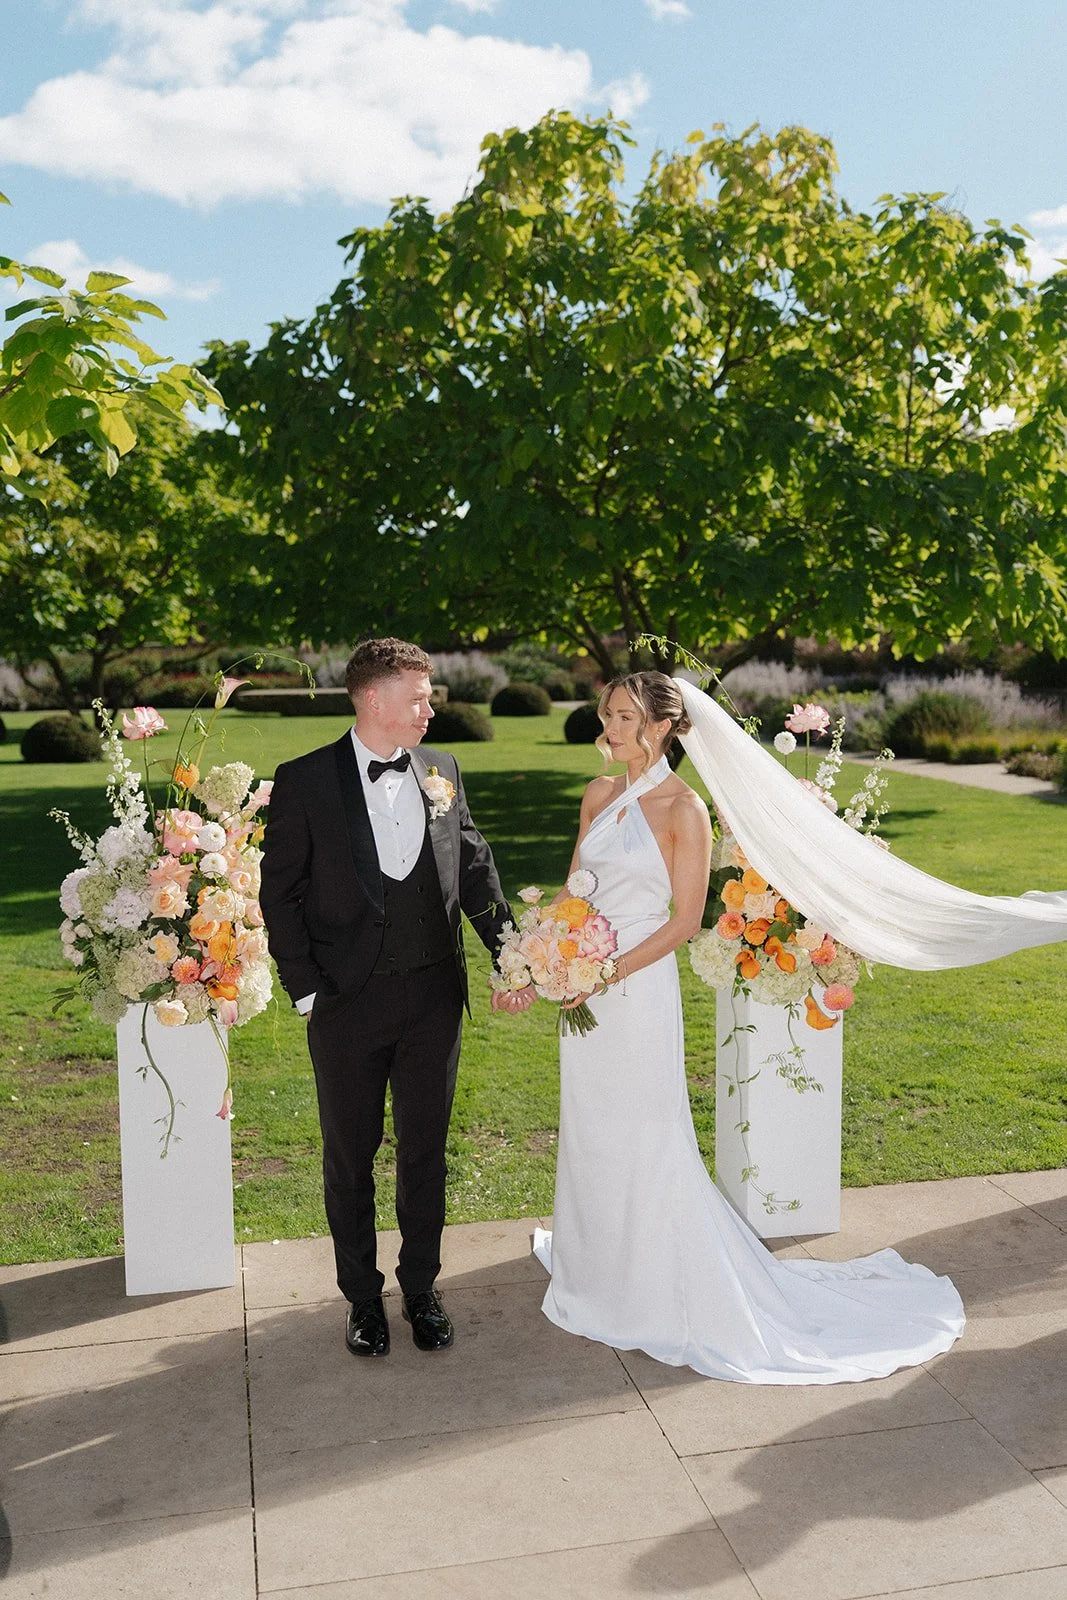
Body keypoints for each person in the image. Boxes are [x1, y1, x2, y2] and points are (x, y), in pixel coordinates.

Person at [532, 671, 967, 1383]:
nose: (607, 728)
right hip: (582, 986)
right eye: (606, 714)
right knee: (591, 1123)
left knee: (645, 1128)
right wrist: (543, 955)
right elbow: (572, 889)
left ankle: (651, 1281)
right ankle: (595, 1266)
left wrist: (606, 973)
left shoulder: (683, 809)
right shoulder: (597, 794)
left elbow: (680, 924)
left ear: (663, 726)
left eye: (622, 716)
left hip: (635, 993)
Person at [261, 637, 532, 1359]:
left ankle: (421, 1289)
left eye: (430, 694)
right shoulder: (306, 780)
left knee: (425, 1153)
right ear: (373, 699)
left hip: (433, 999)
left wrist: (511, 957)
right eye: (418, 696)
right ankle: (361, 1300)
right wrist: (307, 991)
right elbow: (278, 895)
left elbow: (474, 868)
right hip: (346, 1005)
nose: (430, 707)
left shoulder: (442, 769)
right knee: (350, 1157)